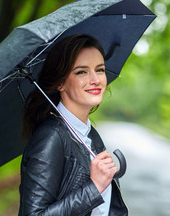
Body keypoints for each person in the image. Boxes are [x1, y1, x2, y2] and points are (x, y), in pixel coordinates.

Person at [19, 34, 128, 215]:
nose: (96, 79)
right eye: (81, 72)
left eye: (99, 69)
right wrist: (94, 187)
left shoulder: (89, 133)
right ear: (60, 82)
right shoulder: (50, 138)